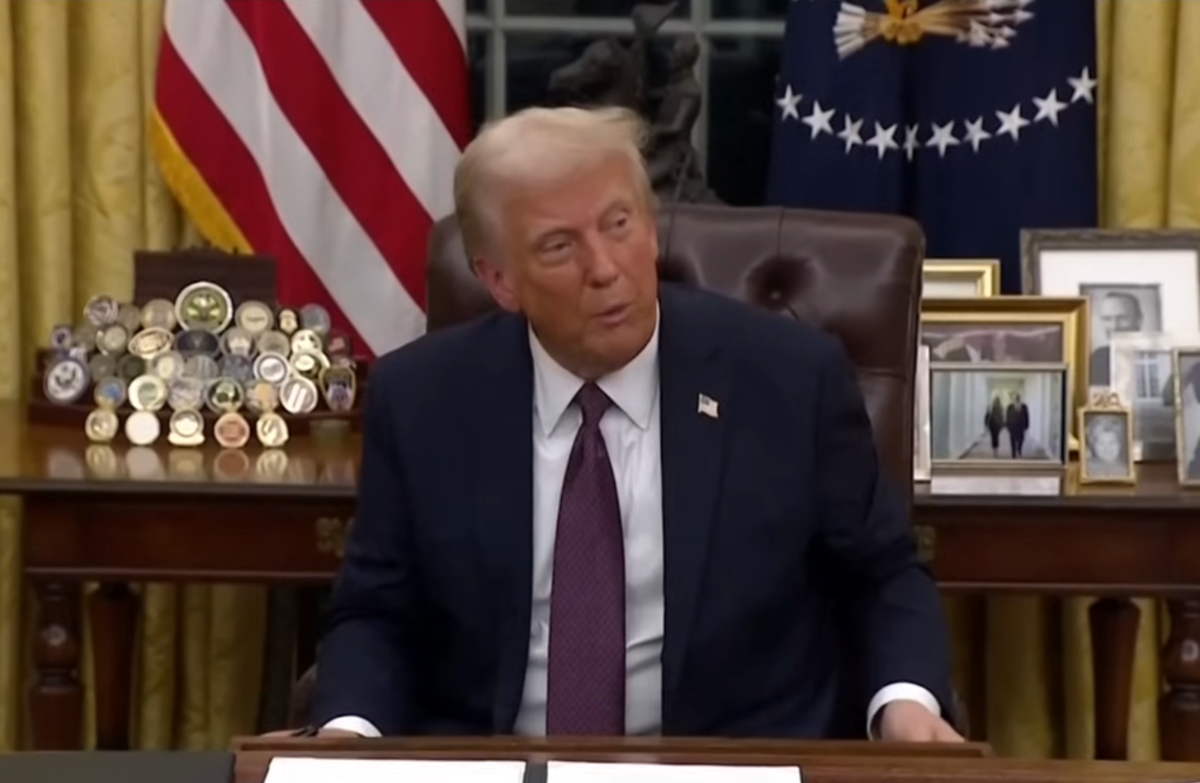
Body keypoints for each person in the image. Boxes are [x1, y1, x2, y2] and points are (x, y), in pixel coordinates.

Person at [308, 106, 958, 743]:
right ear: (499, 280)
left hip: (727, 773)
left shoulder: (789, 379)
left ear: (650, 228)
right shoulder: (423, 398)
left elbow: (881, 574)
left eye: (619, 224)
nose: (605, 268)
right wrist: (349, 733)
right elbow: (377, 611)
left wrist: (903, 702)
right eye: (559, 245)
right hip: (495, 771)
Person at [1089, 291, 1143, 387]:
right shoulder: (1098, 358)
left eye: (1122, 318)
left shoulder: (1154, 356)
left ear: (1139, 320)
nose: (1114, 326)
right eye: (1107, 319)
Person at [1084, 414, 1128, 479]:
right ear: (1093, 446)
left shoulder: (1127, 469)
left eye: (1112, 442)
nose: (1107, 448)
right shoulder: (1087, 469)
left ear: (1120, 443)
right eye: (1101, 443)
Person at [1006, 392, 1030, 458]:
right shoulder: (1010, 407)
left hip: (1020, 426)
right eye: (1015, 398)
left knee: (1021, 439)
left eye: (1017, 398)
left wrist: (1027, 425)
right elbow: (1007, 417)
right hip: (1012, 426)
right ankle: (1013, 453)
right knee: (1012, 439)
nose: (1016, 399)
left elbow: (1026, 416)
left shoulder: (1024, 406)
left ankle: (1019, 448)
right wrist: (1007, 425)